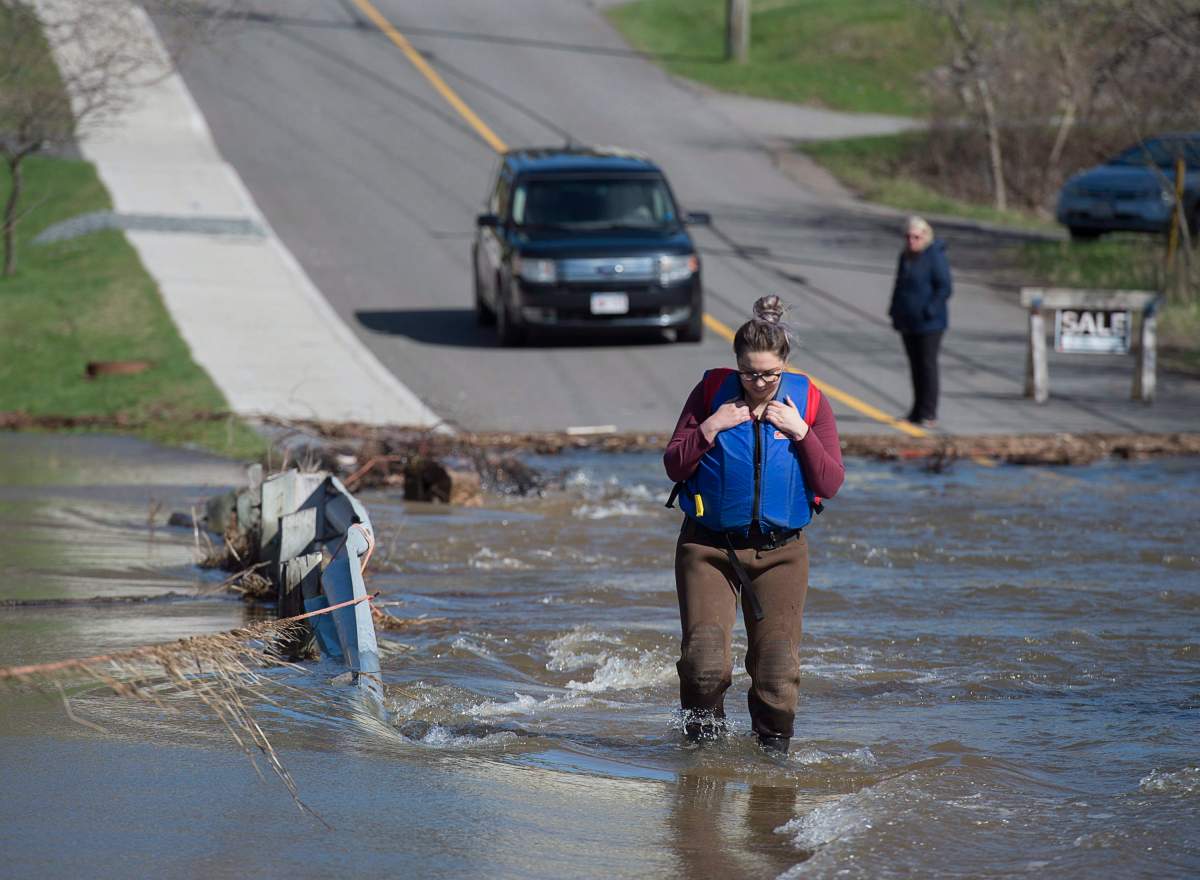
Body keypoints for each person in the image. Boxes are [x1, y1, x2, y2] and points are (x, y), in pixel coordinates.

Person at [663, 296, 845, 754]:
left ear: (784, 366)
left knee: (777, 670)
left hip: (781, 551)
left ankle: (771, 766)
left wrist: (801, 432)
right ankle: (702, 759)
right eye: (748, 373)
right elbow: (673, 465)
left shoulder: (810, 402)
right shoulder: (710, 395)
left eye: (769, 374)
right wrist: (710, 427)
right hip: (708, 548)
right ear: (736, 365)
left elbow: (831, 481)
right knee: (704, 663)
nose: (759, 383)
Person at [889, 216, 952, 428]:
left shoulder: (934, 256)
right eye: (908, 237)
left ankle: (929, 413)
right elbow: (899, 285)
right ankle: (916, 411)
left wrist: (929, 310)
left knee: (927, 366)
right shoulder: (905, 257)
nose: (911, 241)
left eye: (916, 237)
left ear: (925, 236)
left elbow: (945, 287)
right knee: (915, 367)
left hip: (929, 324)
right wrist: (894, 311)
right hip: (908, 321)